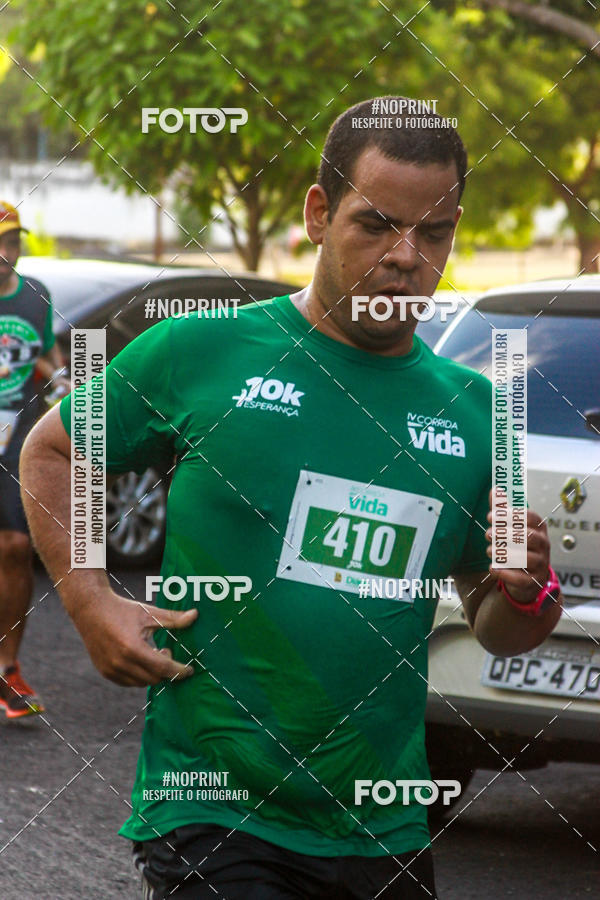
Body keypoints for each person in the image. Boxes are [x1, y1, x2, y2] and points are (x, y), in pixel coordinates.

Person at [20, 99, 562, 898]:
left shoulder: (479, 411)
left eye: (434, 233)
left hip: (383, 821)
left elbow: (498, 624)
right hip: (214, 811)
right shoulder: (204, 350)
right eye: (375, 225)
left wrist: (531, 595)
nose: (406, 256)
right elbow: (55, 447)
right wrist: (90, 600)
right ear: (317, 213)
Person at [0, 202, 70, 720]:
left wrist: (65, 378)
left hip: (14, 434)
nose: (7, 253)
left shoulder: (35, 296)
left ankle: (7, 669)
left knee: (17, 545)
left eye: (14, 240)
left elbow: (45, 356)